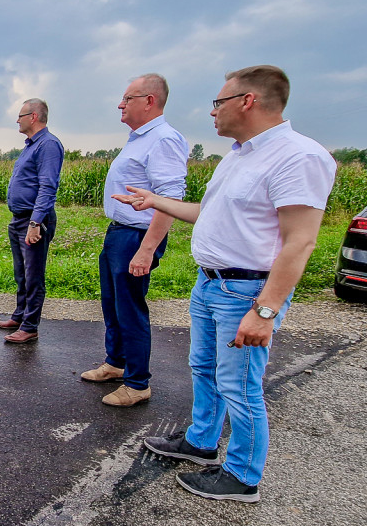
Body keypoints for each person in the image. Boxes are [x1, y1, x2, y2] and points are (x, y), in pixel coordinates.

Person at [115, 65, 336, 502]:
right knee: (205, 370)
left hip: (248, 291)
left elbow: (300, 241)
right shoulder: (238, 155)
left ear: (247, 101)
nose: (212, 112)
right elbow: (210, 213)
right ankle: (200, 443)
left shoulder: (298, 156)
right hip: (211, 285)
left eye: (219, 102)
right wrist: (154, 200)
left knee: (240, 385)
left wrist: (266, 310)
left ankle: (241, 476)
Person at [79, 74, 188, 406]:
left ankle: (138, 383)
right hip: (119, 232)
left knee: (130, 309)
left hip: (136, 236)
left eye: (128, 98)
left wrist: (146, 249)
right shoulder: (139, 138)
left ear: (150, 100)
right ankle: (115, 364)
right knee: (112, 305)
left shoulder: (164, 139)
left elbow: (170, 201)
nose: (120, 104)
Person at [0, 99, 64, 343]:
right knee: (21, 273)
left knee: (34, 275)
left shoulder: (48, 145)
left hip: (34, 221)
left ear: (34, 117)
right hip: (19, 219)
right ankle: (20, 316)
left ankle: (30, 327)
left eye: (21, 115)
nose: (17, 120)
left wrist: (35, 223)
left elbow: (48, 186)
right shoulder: (31, 146)